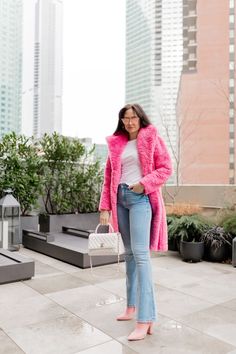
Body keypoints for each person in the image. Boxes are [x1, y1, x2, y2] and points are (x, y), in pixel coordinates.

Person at [99, 103, 172, 341]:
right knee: (129, 253)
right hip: (119, 199)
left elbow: (165, 168)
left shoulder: (151, 138)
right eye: (125, 118)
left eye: (133, 117)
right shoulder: (117, 144)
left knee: (141, 255)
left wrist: (144, 183)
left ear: (141, 118)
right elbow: (109, 175)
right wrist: (105, 207)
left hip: (140, 198)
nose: (129, 122)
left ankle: (146, 317)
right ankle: (131, 307)